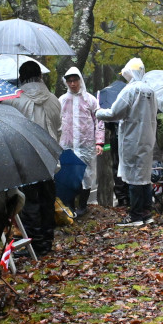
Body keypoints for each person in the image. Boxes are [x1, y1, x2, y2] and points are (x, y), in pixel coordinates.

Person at [2, 60, 61, 255]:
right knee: (47, 198)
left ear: (21, 78)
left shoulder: (13, 100)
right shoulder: (54, 99)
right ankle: (47, 241)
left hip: (25, 157)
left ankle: (34, 244)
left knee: (30, 202)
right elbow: (58, 127)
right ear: (40, 77)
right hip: (49, 157)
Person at [97, 58, 157, 226]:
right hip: (147, 139)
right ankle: (147, 213)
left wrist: (98, 112)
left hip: (132, 139)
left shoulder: (129, 90)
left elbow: (114, 113)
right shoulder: (150, 91)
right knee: (144, 177)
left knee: (133, 179)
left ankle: (135, 216)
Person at [59, 67, 104, 217]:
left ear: (80, 80)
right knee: (69, 175)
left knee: (87, 174)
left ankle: (83, 205)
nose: (72, 84)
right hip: (68, 145)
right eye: (69, 81)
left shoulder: (90, 99)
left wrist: (99, 142)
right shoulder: (62, 100)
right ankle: (71, 206)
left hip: (86, 144)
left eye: (75, 80)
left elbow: (99, 120)